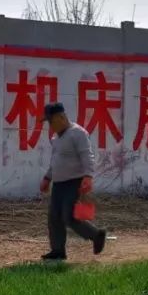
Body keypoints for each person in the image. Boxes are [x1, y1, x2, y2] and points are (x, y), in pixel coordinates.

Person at [39, 102, 106, 261]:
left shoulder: (78, 133)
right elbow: (55, 161)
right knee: (54, 217)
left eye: (51, 121)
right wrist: (47, 178)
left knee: (69, 216)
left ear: (61, 117)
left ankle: (96, 235)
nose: (50, 125)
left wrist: (88, 176)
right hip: (59, 184)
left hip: (74, 182)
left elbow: (87, 155)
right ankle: (57, 251)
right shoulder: (56, 138)